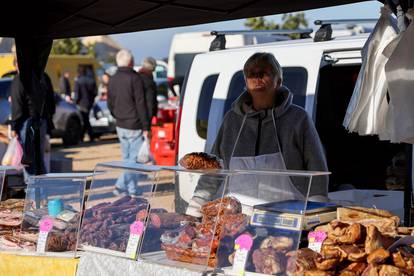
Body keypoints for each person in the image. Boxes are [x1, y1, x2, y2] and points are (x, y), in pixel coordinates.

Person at [187, 52, 328, 216]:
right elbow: (214, 169)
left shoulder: (298, 118)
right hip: (238, 218)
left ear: (278, 81)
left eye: (264, 73)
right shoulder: (232, 120)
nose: (257, 78)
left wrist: (316, 212)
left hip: (288, 216)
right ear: (246, 82)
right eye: (251, 74)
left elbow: (317, 169)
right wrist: (196, 206)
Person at [108, 49, 151, 196]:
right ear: (131, 62)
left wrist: (117, 115)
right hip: (134, 124)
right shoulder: (135, 78)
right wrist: (146, 126)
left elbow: (110, 103)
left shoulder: (112, 79)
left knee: (127, 159)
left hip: (120, 124)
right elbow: (141, 104)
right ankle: (119, 186)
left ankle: (132, 190)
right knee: (133, 161)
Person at [10, 67, 56, 181]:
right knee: (39, 160)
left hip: (27, 123)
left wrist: (14, 126)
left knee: (29, 161)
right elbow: (51, 102)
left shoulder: (19, 79)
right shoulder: (43, 77)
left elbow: (17, 105)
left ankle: (33, 196)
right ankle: (42, 194)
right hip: (41, 122)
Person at [74, 65, 97, 142]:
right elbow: (95, 93)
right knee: (85, 119)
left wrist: (75, 102)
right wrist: (92, 100)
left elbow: (77, 94)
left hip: (81, 103)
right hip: (89, 102)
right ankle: (85, 135)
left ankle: (88, 135)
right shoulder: (91, 80)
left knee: (85, 120)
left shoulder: (78, 81)